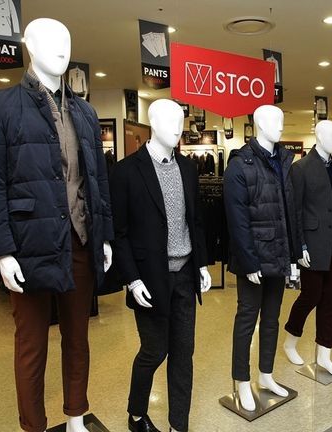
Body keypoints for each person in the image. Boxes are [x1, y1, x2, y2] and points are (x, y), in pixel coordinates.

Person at [0, 18, 113, 432]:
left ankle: (76, 418)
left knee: (78, 338)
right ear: (28, 45)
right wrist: (2, 251)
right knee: (32, 345)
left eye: (67, 40)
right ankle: (33, 426)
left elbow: (97, 181)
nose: (62, 48)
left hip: (80, 240)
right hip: (29, 243)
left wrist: (103, 236)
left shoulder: (85, 112)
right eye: (51, 40)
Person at [110, 99, 212, 432]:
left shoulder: (188, 168)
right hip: (150, 277)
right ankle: (136, 414)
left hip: (185, 275)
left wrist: (202, 265)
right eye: (171, 121)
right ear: (152, 123)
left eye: (181, 121)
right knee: (154, 351)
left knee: (183, 353)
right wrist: (132, 280)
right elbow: (119, 233)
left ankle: (178, 425)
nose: (178, 128)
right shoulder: (126, 171)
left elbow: (195, 221)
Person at [223, 104, 297, 412]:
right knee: (246, 319)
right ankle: (241, 380)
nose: (280, 125)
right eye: (275, 120)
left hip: (278, 254)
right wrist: (249, 262)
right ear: (259, 124)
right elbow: (236, 220)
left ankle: (266, 375)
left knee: (272, 318)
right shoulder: (240, 164)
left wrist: (293, 255)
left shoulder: (284, 160)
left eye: (282, 119)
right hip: (253, 257)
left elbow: (288, 211)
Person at [283, 120, 332, 377]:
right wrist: (299, 246)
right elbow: (295, 211)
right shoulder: (300, 168)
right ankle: (290, 341)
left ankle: (324, 354)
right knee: (310, 295)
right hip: (312, 244)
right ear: (319, 136)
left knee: (331, 298)